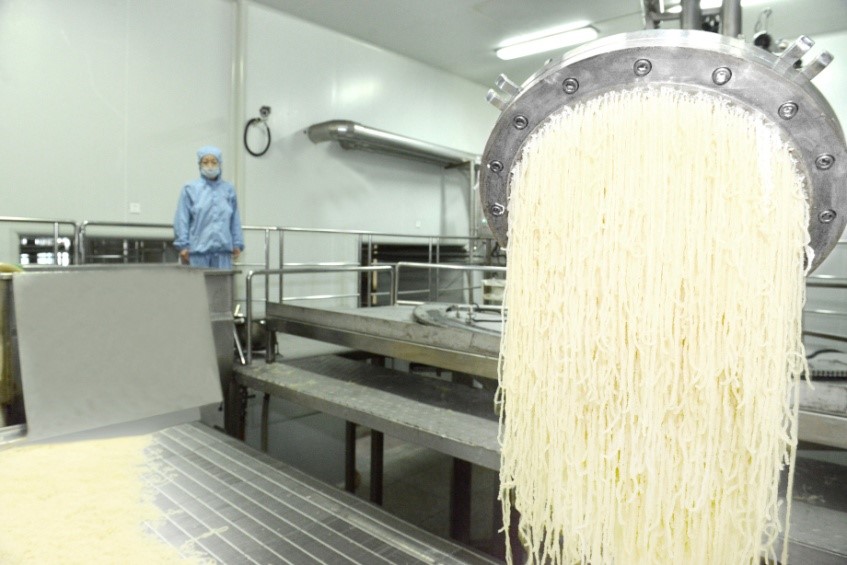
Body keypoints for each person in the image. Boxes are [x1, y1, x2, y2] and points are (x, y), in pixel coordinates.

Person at [174, 146, 244, 269]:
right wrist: (183, 245)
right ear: (199, 165)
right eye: (205, 162)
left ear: (220, 164)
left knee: (222, 282)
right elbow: (182, 219)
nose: (210, 166)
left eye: (214, 162)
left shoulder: (228, 190)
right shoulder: (190, 189)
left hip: (223, 254)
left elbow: (234, 219)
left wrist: (237, 243)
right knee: (198, 282)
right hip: (197, 253)